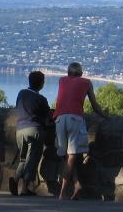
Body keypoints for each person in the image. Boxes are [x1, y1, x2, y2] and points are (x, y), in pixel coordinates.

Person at [53, 62, 108, 200]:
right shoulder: (86, 82)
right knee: (72, 156)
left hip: (59, 118)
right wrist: (105, 116)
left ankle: (77, 184)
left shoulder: (61, 80)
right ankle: (63, 192)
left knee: (66, 156)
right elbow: (94, 105)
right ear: (81, 73)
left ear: (68, 73)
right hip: (74, 119)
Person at [10, 71, 51, 196]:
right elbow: (47, 117)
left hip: (20, 130)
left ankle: (16, 178)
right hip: (34, 129)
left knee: (23, 158)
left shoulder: (21, 93)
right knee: (32, 159)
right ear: (42, 84)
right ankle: (23, 189)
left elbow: (17, 107)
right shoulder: (41, 99)